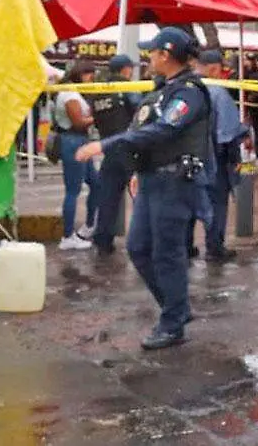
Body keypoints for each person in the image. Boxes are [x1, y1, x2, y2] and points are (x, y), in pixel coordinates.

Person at [76, 27, 213, 350]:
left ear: (165, 55)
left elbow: (165, 129)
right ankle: (176, 308)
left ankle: (173, 322)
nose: (148, 58)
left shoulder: (188, 93)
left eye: (152, 52)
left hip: (174, 182)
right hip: (153, 179)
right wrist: (138, 168)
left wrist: (106, 145)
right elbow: (144, 129)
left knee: (167, 254)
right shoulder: (163, 90)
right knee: (138, 248)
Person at [79, 54, 141, 255]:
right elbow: (141, 113)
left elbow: (95, 119)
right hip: (130, 150)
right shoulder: (126, 87)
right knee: (141, 197)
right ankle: (144, 241)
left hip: (108, 149)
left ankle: (103, 240)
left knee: (108, 198)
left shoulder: (98, 91)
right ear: (126, 70)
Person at [192, 50, 248, 262]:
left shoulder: (185, 88)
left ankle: (186, 246)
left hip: (186, 157)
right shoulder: (218, 93)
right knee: (217, 204)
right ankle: (215, 248)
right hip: (214, 157)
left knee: (189, 202)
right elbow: (228, 134)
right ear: (215, 68)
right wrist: (234, 161)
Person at [54, 61, 100, 250]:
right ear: (80, 74)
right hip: (73, 141)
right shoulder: (70, 95)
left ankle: (88, 226)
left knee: (96, 183)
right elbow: (78, 122)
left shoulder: (72, 92)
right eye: (89, 74)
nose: (91, 79)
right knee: (73, 190)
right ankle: (67, 236)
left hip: (78, 141)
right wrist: (97, 117)